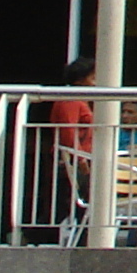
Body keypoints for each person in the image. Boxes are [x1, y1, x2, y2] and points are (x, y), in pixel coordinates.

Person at [34, 55, 98, 241]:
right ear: (80, 79)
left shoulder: (81, 100)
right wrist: (80, 159)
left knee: (71, 205)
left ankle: (80, 242)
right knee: (66, 205)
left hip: (77, 160)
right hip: (70, 162)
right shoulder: (71, 100)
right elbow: (68, 131)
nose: (96, 83)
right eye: (93, 78)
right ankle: (33, 238)